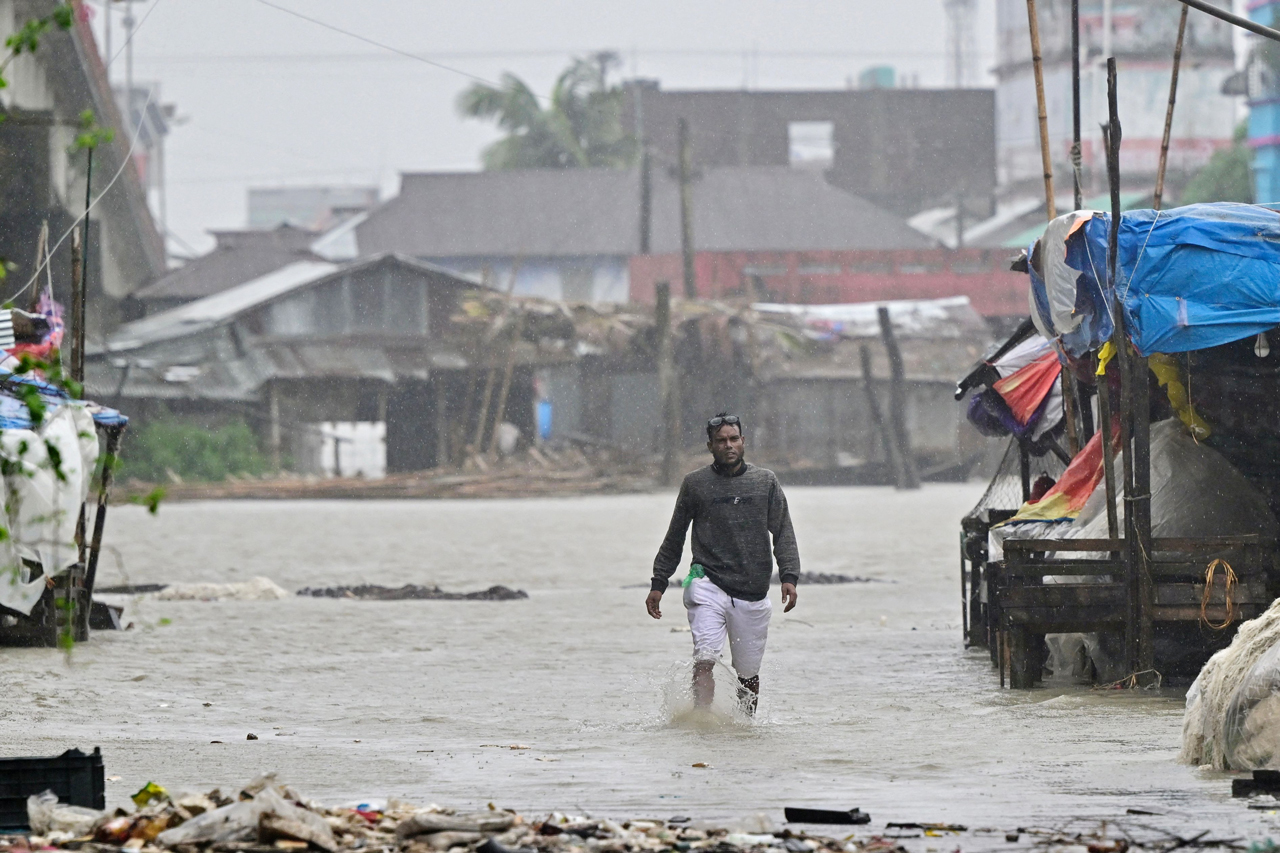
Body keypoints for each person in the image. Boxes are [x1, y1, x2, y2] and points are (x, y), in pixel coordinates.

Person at [645, 412, 800, 714]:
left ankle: (745, 728)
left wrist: (789, 576)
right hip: (707, 583)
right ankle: (702, 723)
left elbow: (783, 531)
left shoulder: (764, 482)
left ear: (743, 442)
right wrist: (658, 582)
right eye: (721, 441)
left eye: (733, 439)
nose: (728, 445)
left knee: (748, 675)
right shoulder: (696, 484)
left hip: (752, 590)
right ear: (710, 446)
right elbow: (675, 535)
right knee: (705, 658)